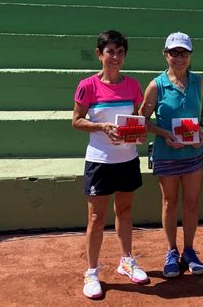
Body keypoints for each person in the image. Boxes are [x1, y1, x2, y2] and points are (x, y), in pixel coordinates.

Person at [72, 30, 148, 299]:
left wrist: (140, 132)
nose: (115, 57)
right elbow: (76, 120)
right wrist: (101, 127)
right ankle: (92, 271)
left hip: (127, 160)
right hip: (100, 161)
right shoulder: (87, 85)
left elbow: (139, 119)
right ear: (99, 54)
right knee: (96, 217)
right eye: (110, 52)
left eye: (120, 52)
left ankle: (126, 260)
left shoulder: (132, 85)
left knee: (125, 211)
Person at [139, 32, 203, 278]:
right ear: (165, 54)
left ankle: (189, 250)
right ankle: (171, 251)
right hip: (166, 154)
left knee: (191, 204)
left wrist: (200, 130)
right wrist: (165, 134)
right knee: (169, 203)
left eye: (184, 53)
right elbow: (142, 121)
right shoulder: (155, 85)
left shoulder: (200, 82)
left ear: (190, 56)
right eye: (174, 53)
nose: (179, 58)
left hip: (193, 154)